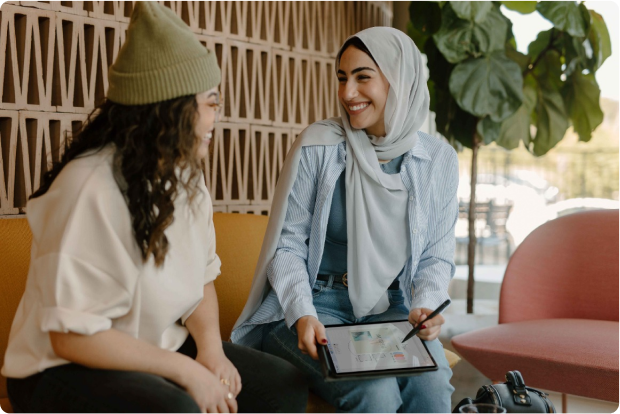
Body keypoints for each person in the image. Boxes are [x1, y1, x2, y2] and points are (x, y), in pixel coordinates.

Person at [1, 1, 308, 413]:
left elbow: (200, 282)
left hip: (153, 347)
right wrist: (186, 372)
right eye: (211, 102)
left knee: (282, 386)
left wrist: (212, 352)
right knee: (177, 407)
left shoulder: (186, 175)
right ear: (171, 108)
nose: (218, 115)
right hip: (60, 366)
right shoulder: (88, 186)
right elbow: (71, 336)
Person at [231, 27, 458, 413]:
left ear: (398, 81)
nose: (347, 93)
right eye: (342, 78)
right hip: (316, 305)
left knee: (432, 387)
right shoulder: (319, 145)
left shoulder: (438, 160)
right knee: (376, 392)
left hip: (393, 306)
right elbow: (287, 245)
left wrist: (426, 304)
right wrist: (302, 312)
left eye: (362, 77)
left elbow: (437, 255)